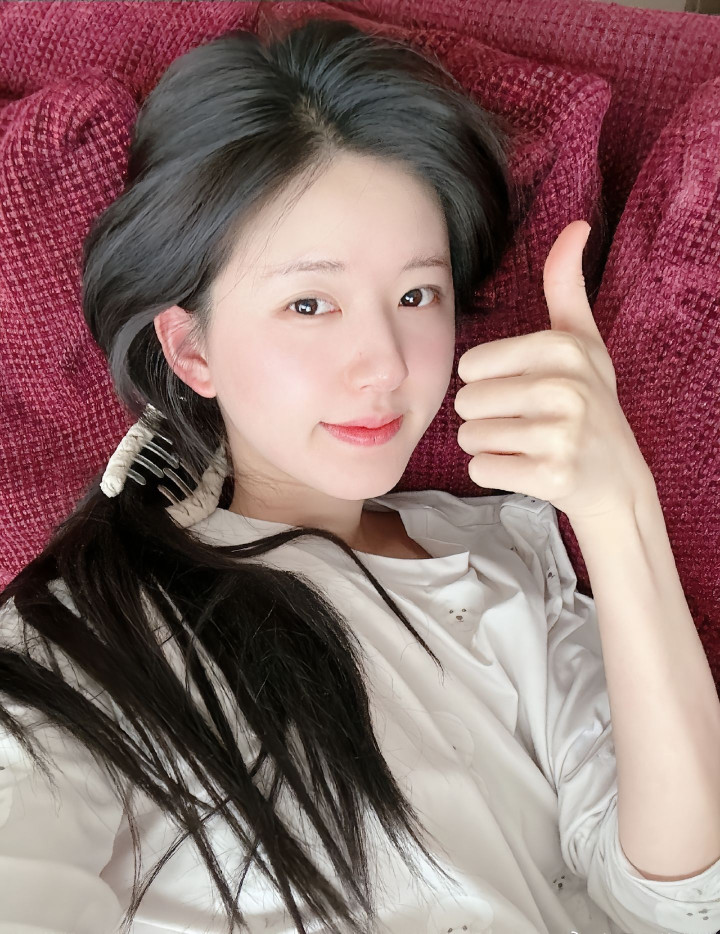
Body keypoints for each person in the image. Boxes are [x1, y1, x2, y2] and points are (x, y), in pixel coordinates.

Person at [2, 12, 718, 934]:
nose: (384, 363)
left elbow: (676, 900)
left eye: (417, 294)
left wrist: (619, 509)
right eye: (310, 303)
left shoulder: (510, 560)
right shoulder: (92, 628)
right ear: (191, 350)